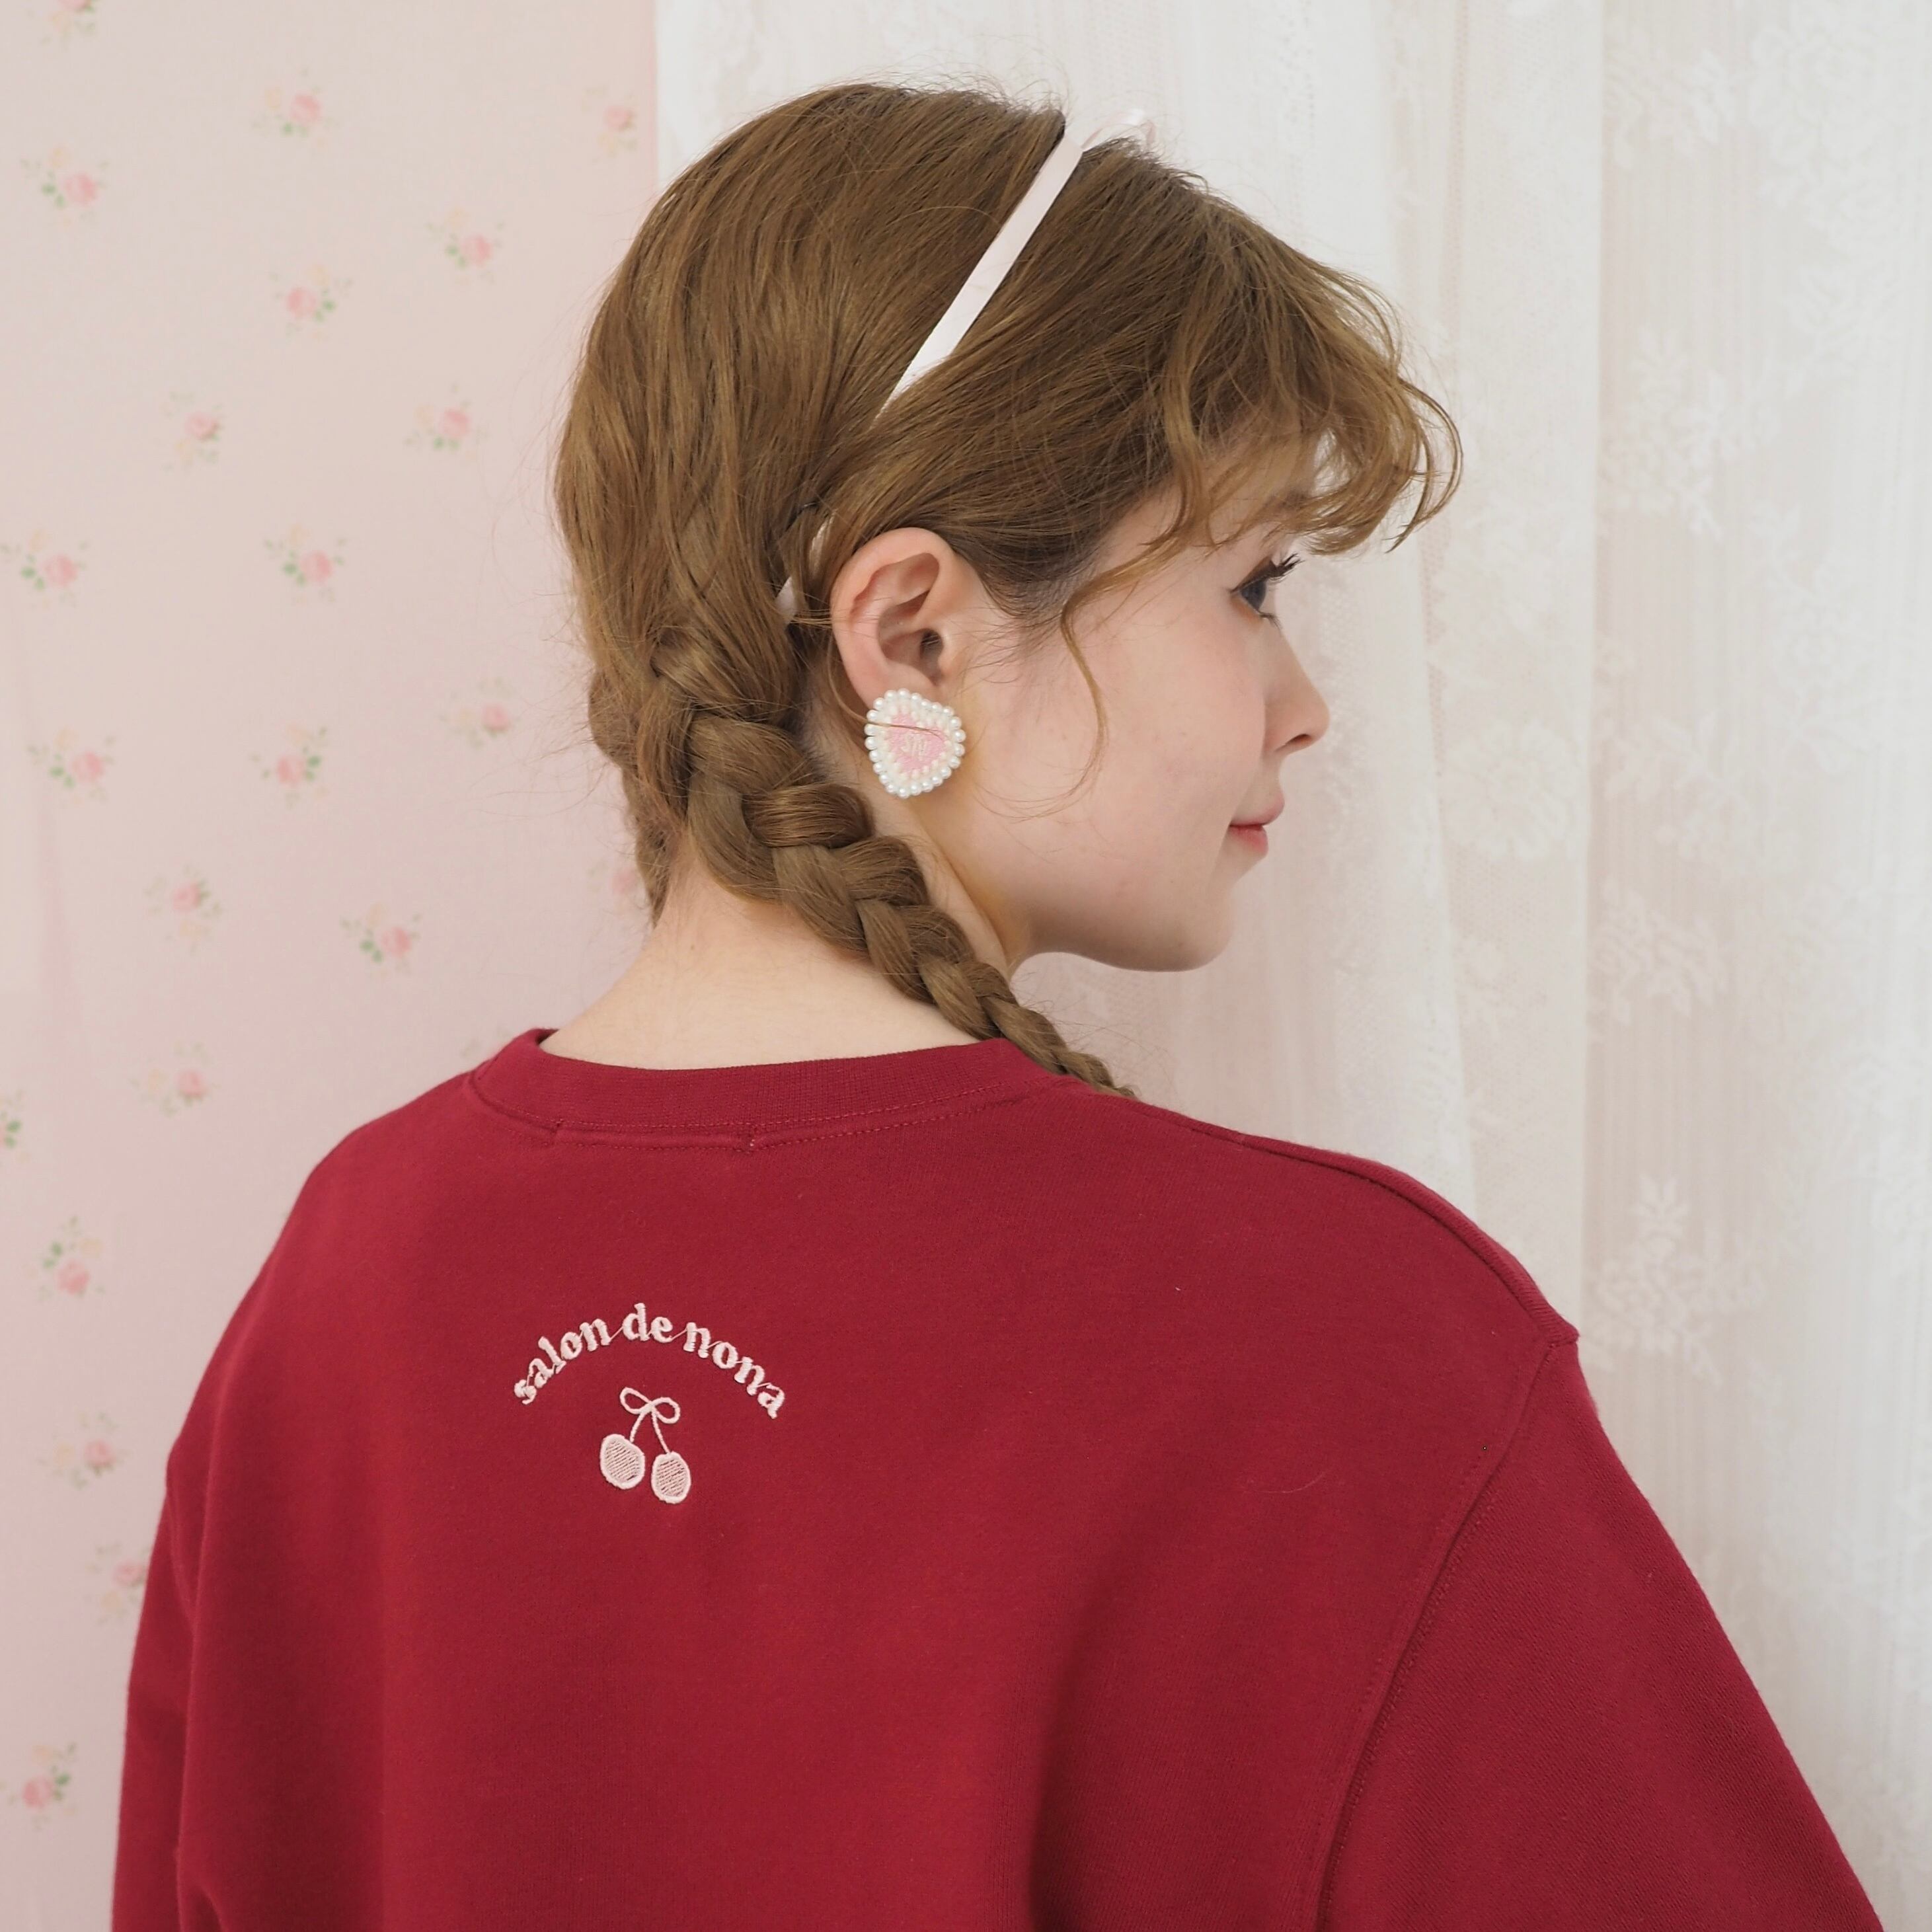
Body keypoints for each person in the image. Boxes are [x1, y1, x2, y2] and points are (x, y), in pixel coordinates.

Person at [112, 81, 1884, 1930]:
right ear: (916, 633)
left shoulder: (345, 1284)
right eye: (1254, 583)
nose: (1304, 706)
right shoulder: (1343, 1347)